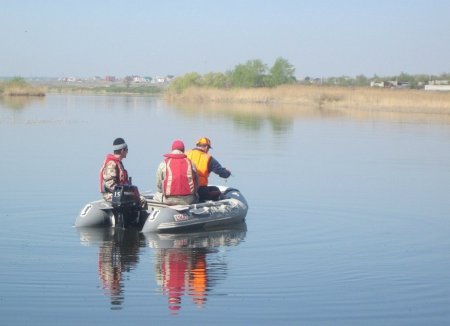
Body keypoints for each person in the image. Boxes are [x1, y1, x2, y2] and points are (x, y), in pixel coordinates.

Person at [99, 138, 146, 208]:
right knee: (141, 200)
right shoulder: (111, 164)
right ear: (122, 151)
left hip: (117, 193)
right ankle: (136, 218)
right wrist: (126, 192)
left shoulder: (118, 163)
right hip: (111, 194)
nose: (127, 152)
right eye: (126, 150)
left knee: (136, 195)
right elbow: (109, 185)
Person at [186, 137, 231, 201]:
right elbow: (222, 173)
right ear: (206, 147)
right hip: (200, 191)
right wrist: (228, 172)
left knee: (213, 188)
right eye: (208, 148)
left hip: (186, 189)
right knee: (216, 191)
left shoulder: (185, 154)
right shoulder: (208, 158)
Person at [154, 140, 198, 205]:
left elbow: (159, 184)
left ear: (172, 150)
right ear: (183, 150)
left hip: (169, 200)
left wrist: (161, 192)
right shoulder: (191, 163)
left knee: (156, 195)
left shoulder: (164, 163)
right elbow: (197, 182)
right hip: (189, 200)